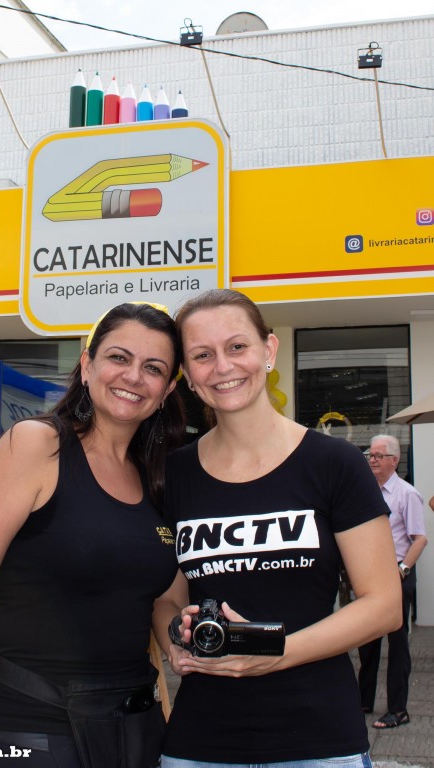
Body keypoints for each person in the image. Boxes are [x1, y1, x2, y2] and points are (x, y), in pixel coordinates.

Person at [0, 301, 185, 768]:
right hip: (29, 723)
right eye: (119, 357)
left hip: (132, 724)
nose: (134, 376)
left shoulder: (160, 477)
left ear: (168, 389)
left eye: (153, 368)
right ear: (87, 365)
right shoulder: (37, 446)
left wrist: (187, 648)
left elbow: (164, 599)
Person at [153, 288, 402, 768]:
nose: (222, 366)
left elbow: (385, 605)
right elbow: (167, 597)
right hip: (200, 742)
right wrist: (174, 643)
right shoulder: (174, 474)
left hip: (320, 741)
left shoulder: (335, 463)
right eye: (202, 355)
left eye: (237, 346)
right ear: (187, 373)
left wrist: (276, 652)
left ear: (268, 349)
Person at [358, 434, 428, 729]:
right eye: (370, 455)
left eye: (378, 456)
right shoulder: (366, 490)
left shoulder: (406, 494)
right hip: (369, 576)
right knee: (366, 642)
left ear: (394, 460)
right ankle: (363, 701)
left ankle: (398, 710)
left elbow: (420, 539)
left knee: (397, 645)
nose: (372, 460)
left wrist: (402, 569)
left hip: (396, 575)